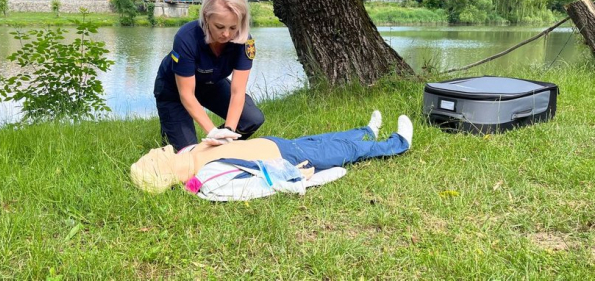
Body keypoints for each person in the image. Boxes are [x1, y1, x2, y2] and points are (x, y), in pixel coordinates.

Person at [131, 111, 413, 194]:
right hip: (290, 158)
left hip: (281, 143)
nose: (164, 149)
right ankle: (399, 142)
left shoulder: (190, 152)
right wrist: (296, 177)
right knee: (346, 151)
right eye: (162, 155)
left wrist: (216, 136)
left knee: (327, 139)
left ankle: (366, 131)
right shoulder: (207, 178)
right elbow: (255, 185)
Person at [154, 0, 264, 151]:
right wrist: (212, 131)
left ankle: (212, 147)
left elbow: (237, 91)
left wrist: (228, 132)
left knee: (252, 119)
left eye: (233, 27)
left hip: (211, 85)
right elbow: (186, 94)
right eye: (220, 27)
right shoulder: (185, 37)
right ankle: (171, 131)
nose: (226, 34)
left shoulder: (245, 41)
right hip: (174, 91)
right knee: (188, 151)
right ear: (206, 18)